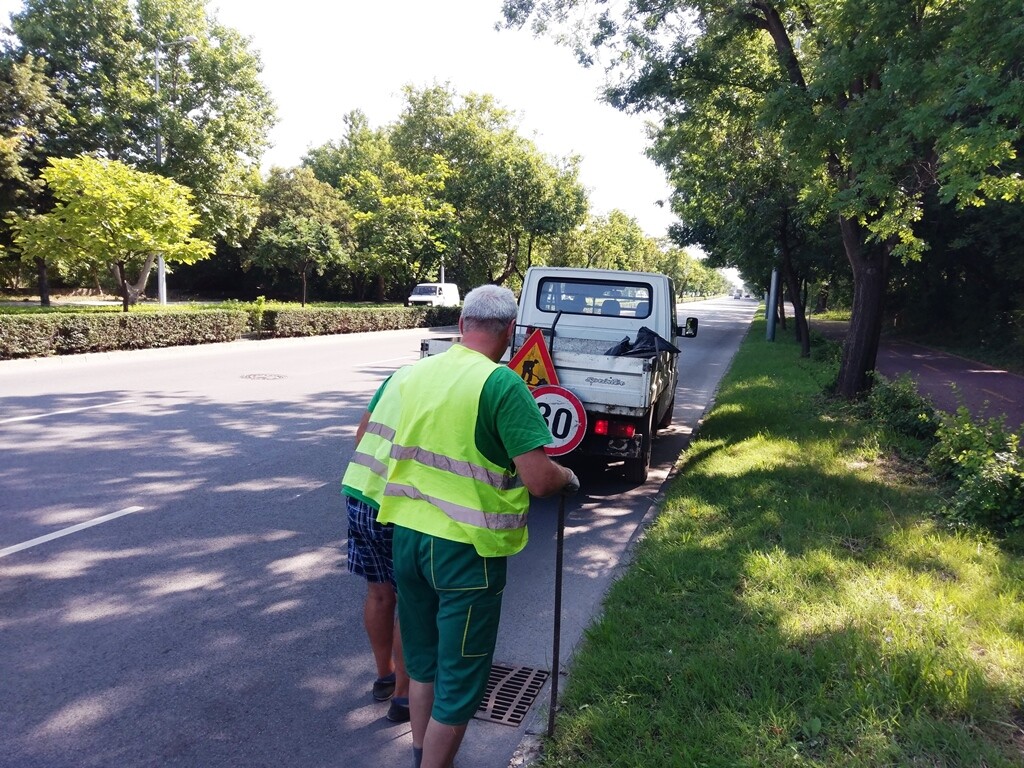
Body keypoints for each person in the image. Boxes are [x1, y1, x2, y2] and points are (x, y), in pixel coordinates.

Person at [376, 284, 580, 768]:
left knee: (422, 666)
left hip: (407, 538)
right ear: (510, 331)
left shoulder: (414, 374)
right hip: (466, 551)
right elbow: (538, 480)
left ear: (463, 322)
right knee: (461, 680)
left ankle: (422, 755)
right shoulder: (502, 384)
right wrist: (568, 476)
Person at [341, 366, 415, 723]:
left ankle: (384, 677)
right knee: (412, 603)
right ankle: (403, 697)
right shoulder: (461, 384)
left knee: (380, 594)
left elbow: (360, 437)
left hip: (360, 494)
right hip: (399, 508)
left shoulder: (400, 376)